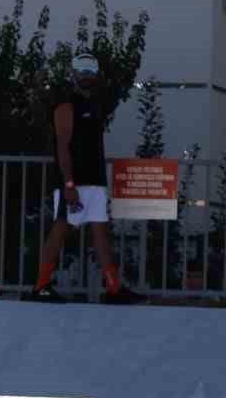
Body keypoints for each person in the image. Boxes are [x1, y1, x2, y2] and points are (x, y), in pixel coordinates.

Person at [24, 52, 144, 304]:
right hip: (74, 183)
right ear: (73, 74)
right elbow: (63, 147)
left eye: (91, 70)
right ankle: (41, 286)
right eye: (82, 70)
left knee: (101, 233)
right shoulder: (66, 108)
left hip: (96, 181)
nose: (87, 75)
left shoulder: (97, 107)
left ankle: (113, 288)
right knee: (60, 230)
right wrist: (69, 184)